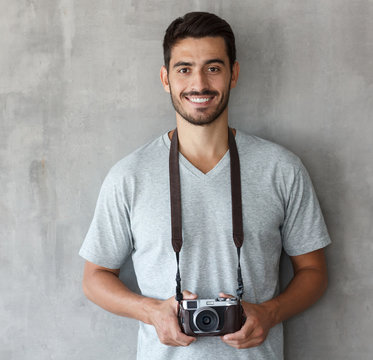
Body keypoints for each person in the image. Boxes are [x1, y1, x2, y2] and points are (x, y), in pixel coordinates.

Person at [79, 11, 330, 359]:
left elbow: (313, 271)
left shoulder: (281, 168)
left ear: (234, 74)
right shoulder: (129, 175)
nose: (199, 84)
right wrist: (151, 311)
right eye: (184, 69)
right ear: (166, 78)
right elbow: (94, 277)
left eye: (213, 68)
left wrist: (269, 313)